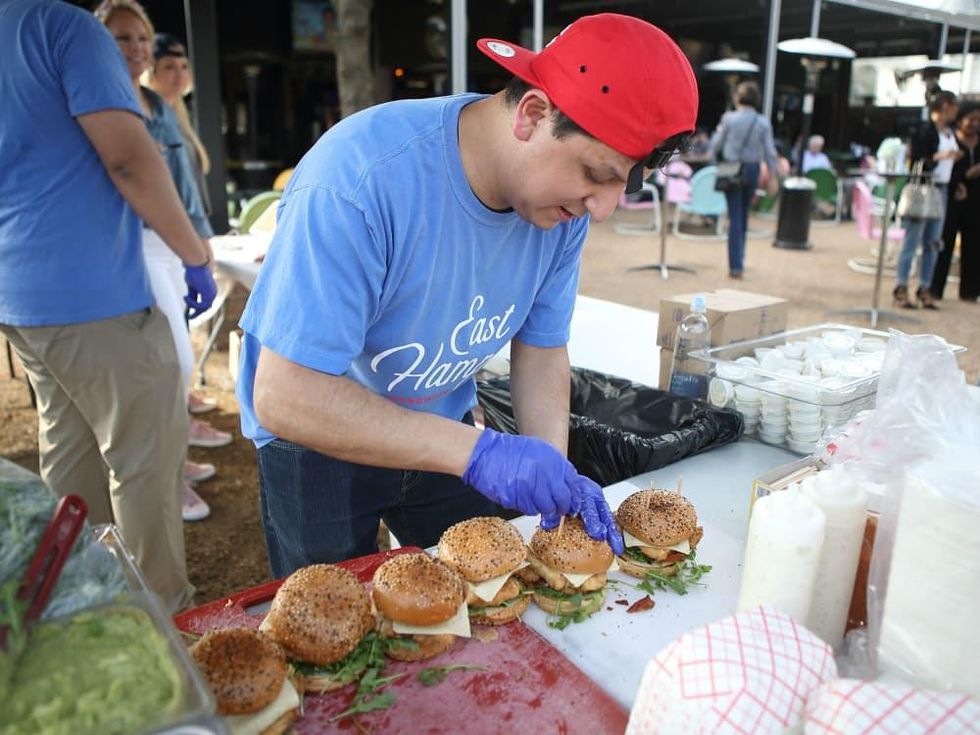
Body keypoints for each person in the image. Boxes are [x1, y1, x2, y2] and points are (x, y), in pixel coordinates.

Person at [236, 13, 698, 576]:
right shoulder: (359, 181)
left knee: (487, 599)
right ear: (533, 114)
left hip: (447, 424)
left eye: (622, 183)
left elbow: (543, 348)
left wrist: (547, 466)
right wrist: (480, 454)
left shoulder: (561, 208)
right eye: (595, 173)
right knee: (337, 629)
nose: (602, 208)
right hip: (319, 442)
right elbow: (287, 396)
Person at [0, 0, 216, 611]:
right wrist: (194, 254)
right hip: (93, 294)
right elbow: (127, 158)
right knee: (144, 461)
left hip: (19, 290)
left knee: (69, 455)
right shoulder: (65, 27)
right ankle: (165, 619)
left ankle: (83, 604)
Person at [96, 0, 232, 522]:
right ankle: (166, 477)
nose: (134, 49)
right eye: (119, 39)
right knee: (168, 362)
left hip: (174, 245)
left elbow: (182, 188)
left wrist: (197, 242)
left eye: (140, 38)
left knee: (178, 362)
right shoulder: (103, 107)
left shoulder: (155, 104)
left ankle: (174, 459)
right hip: (135, 250)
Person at [893, 90, 961, 310]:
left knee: (933, 242)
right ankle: (902, 286)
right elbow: (919, 159)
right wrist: (942, 156)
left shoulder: (950, 132)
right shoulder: (926, 131)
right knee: (912, 240)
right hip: (923, 189)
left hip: (941, 188)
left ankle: (925, 287)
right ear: (944, 107)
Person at [708, 80, 779, 278]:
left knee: (735, 216)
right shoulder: (762, 122)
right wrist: (772, 176)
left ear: (738, 97)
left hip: (732, 168)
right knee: (744, 214)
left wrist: (715, 162)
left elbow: (716, 145)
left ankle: (735, 264)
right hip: (753, 169)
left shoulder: (729, 119)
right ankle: (740, 258)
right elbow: (769, 151)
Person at [930, 105, 980, 303]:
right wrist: (960, 178)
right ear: (961, 119)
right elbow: (942, 168)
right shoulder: (951, 139)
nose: (975, 124)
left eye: (978, 119)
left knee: (974, 245)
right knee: (945, 242)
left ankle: (969, 291)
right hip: (953, 197)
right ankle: (935, 289)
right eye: (971, 119)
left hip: (976, 199)